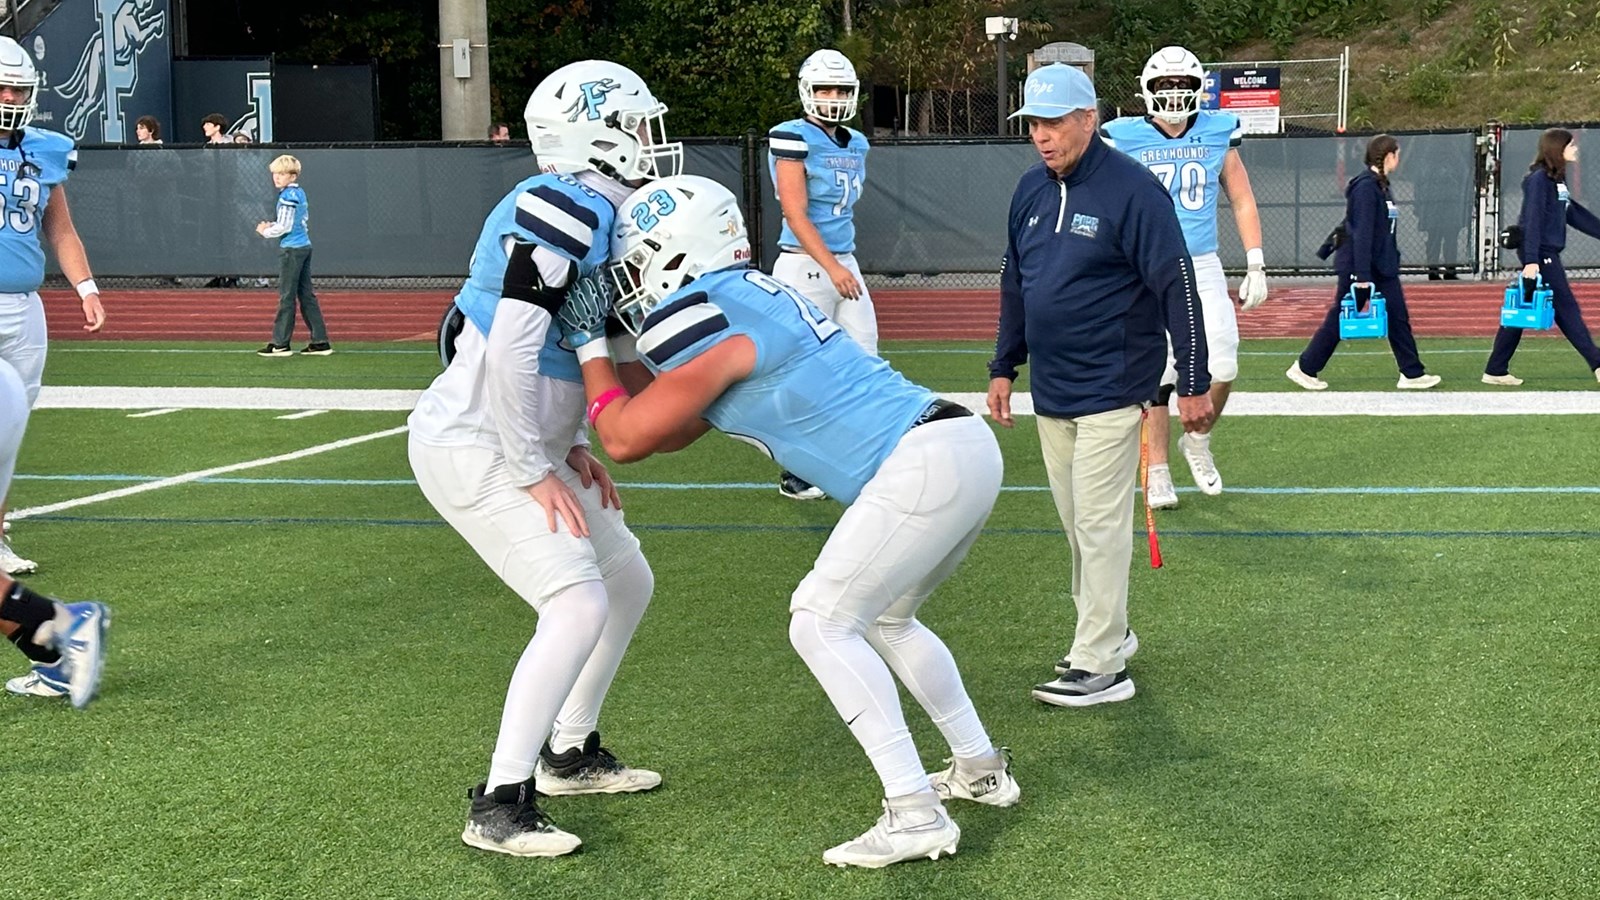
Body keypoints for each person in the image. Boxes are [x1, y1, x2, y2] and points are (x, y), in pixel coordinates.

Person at [560, 173, 1018, 869]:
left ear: (671, 253)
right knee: (887, 620)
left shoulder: (699, 309)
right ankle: (979, 769)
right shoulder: (742, 296)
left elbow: (623, 438)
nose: (627, 284)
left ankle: (914, 812)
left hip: (918, 461)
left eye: (634, 265)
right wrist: (609, 376)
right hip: (955, 447)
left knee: (820, 619)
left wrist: (592, 345)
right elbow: (667, 430)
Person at [407, 59, 681, 859]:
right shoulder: (564, 203)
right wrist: (533, 465)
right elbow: (513, 349)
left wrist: (574, 446)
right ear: (592, 133)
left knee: (627, 580)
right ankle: (499, 799)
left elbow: (573, 347)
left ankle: (569, 752)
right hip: (477, 442)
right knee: (577, 603)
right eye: (634, 124)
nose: (647, 141)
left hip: (525, 438)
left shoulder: (600, 210)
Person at [989, 64, 1214, 707]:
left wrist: (1193, 380)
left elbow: (1179, 287)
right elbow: (1015, 286)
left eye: (1055, 121)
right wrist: (1004, 366)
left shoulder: (1134, 191)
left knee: (1099, 524)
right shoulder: (1029, 191)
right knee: (1076, 526)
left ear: (1089, 119)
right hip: (1052, 393)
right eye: (1034, 123)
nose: (1042, 135)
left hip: (1116, 390)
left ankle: (1099, 663)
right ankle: (1107, 636)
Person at [1101, 46, 1268, 509]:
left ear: (1197, 88)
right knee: (1156, 371)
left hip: (1200, 262)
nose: (1174, 94)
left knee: (1226, 364)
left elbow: (1241, 198)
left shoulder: (1217, 129)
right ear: (1147, 89)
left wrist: (1255, 259)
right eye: (1165, 85)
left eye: (1182, 85)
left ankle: (1196, 441)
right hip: (1143, 267)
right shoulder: (1122, 136)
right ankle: (1156, 471)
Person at [0, 35, 111, 707]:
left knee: (7, 446)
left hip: (23, 307)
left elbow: (60, 228)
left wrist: (86, 285)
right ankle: (53, 632)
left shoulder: (43, 147)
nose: (10, 101)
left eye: (17, 90)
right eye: (1, 89)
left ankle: (49, 622)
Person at [765, 48, 874, 501]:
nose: (832, 97)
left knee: (865, 361)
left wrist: (840, 264)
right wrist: (831, 267)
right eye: (825, 88)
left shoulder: (857, 142)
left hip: (842, 260)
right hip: (806, 263)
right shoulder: (792, 137)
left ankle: (853, 454)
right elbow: (795, 212)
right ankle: (795, 469)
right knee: (806, 368)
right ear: (808, 91)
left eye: (841, 90)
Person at [1287, 135, 1442, 391]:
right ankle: (1305, 367)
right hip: (1363, 266)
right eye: (1397, 155)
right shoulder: (1366, 188)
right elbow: (1362, 234)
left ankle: (1411, 373)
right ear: (1388, 156)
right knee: (1341, 315)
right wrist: (1362, 276)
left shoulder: (1381, 185)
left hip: (1382, 265)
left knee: (1397, 316)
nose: (1399, 160)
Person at [1482, 128, 1600, 386]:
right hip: (1540, 254)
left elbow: (1574, 213)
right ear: (1558, 149)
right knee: (1566, 308)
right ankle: (1597, 363)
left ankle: (1495, 369)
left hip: (1544, 253)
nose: (1575, 150)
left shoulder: (1556, 180)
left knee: (1521, 310)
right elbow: (1532, 221)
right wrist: (1532, 260)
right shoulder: (1539, 181)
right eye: (1571, 146)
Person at [254, 155, 331, 356]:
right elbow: (294, 220)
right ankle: (320, 340)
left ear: (292, 175)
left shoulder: (287, 196)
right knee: (306, 295)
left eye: (281, 173)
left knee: (287, 296)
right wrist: (275, 224)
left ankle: (280, 343)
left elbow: (285, 226)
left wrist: (265, 230)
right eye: (275, 173)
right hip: (304, 245)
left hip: (292, 249)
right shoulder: (300, 193)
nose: (276, 178)